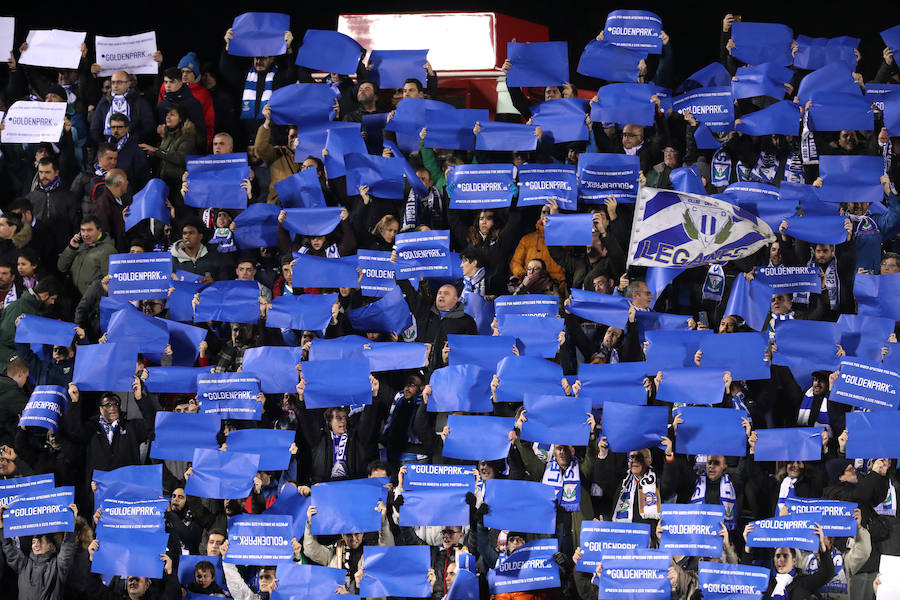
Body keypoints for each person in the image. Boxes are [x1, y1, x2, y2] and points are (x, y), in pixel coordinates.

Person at [0, 503, 79, 600]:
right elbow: (8, 547)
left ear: (50, 546)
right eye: (34, 542)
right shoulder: (24, 565)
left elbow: (68, 546)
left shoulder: (58, 566)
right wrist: (1, 526)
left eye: (40, 542)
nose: (36, 545)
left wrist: (71, 522)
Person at [89, 69, 156, 144]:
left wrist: (131, 141)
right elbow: (95, 127)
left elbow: (148, 126)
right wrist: (104, 145)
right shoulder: (104, 101)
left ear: (128, 83)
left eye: (119, 82)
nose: (115, 86)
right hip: (108, 145)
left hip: (133, 145)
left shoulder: (139, 100)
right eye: (113, 82)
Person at [57, 217, 117, 296]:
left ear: (99, 230)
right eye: (83, 230)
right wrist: (72, 248)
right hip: (74, 298)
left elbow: (110, 283)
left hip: (92, 300)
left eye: (89, 230)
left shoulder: (108, 250)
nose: (85, 234)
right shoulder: (79, 246)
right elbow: (61, 267)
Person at [106, 113, 151, 194]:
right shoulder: (105, 146)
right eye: (113, 127)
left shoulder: (135, 149)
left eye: (119, 127)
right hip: (108, 192)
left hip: (129, 194)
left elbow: (143, 177)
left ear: (127, 128)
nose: (116, 130)